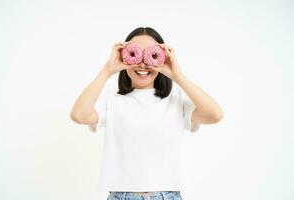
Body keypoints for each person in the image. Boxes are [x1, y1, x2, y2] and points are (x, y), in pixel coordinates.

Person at [70, 27, 224, 200]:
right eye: (136, 54)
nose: (142, 64)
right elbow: (79, 115)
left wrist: (177, 75)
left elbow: (215, 114)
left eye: (150, 55)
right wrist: (107, 70)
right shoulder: (111, 100)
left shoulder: (177, 100)